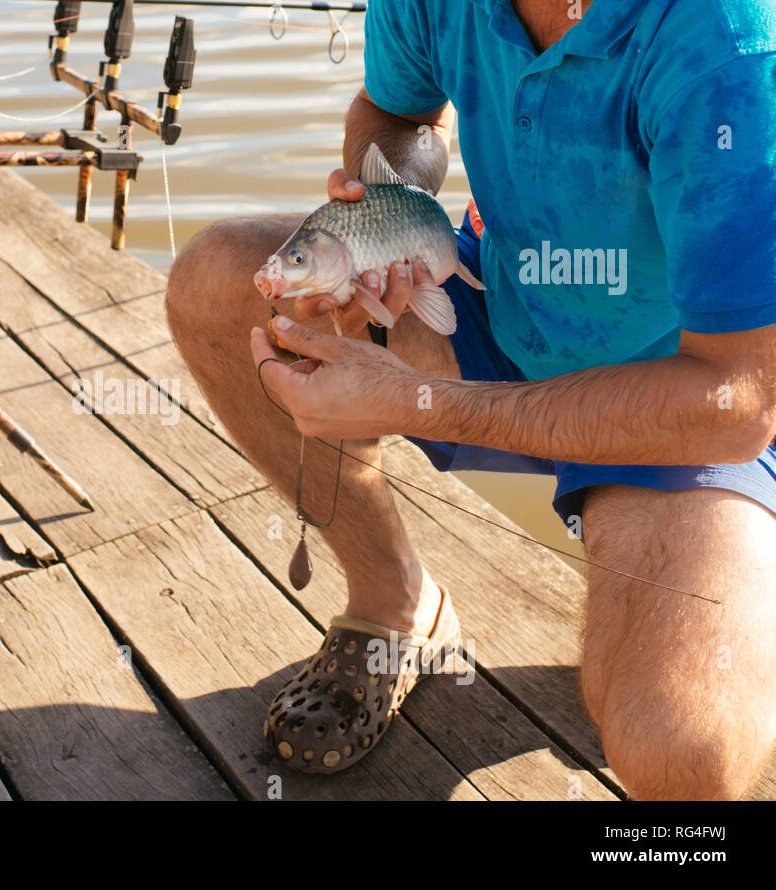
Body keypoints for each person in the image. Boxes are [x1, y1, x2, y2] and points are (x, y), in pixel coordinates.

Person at [165, 0, 776, 799]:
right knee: (215, 283)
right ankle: (396, 605)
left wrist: (420, 401)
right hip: (498, 300)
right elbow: (396, 112)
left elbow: (739, 396)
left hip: (679, 398)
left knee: (680, 754)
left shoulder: (726, 45)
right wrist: (386, 218)